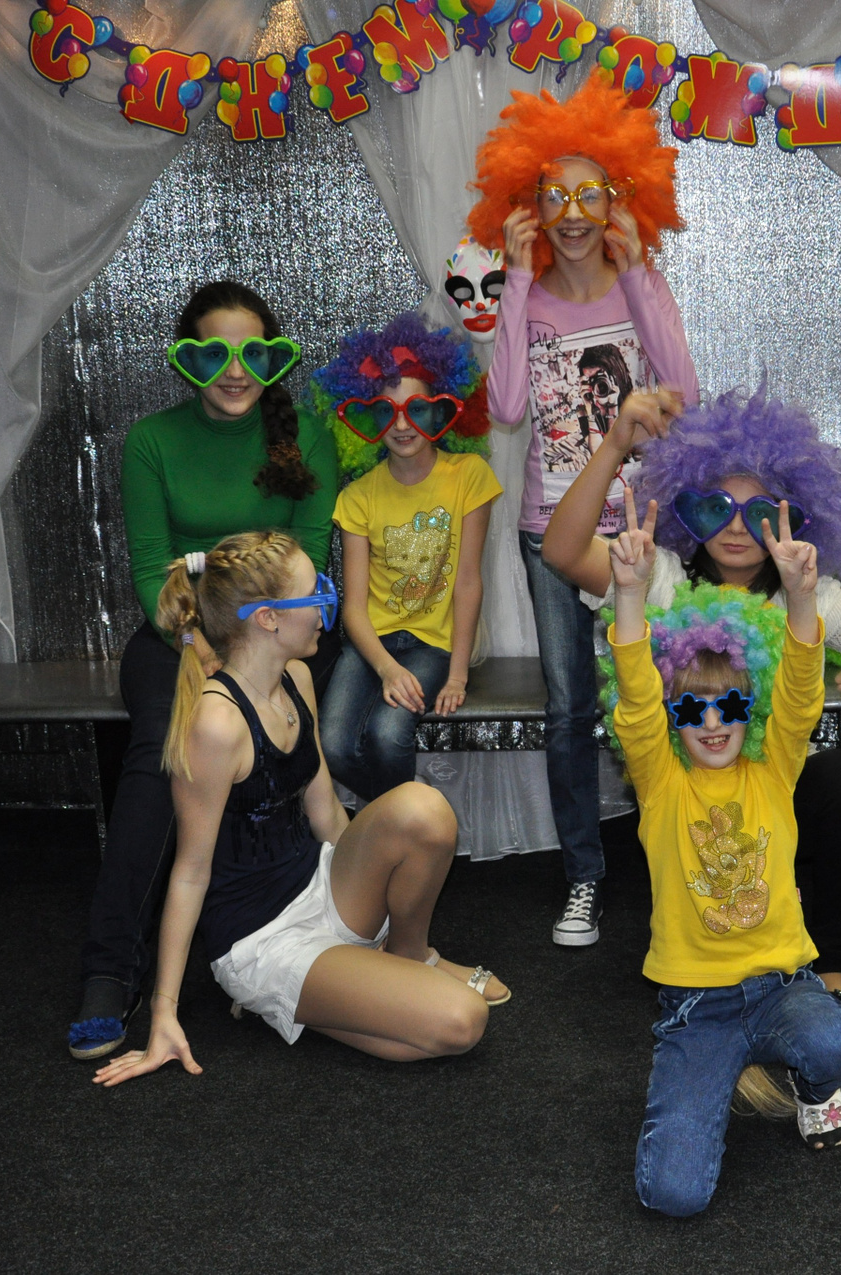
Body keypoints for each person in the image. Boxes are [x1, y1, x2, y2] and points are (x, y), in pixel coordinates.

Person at [543, 384, 841, 1025]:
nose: (735, 527)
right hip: (686, 795)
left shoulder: (807, 591)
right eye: (714, 508)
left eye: (758, 512)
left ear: (795, 517)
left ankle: (832, 958)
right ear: (686, 510)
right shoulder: (663, 578)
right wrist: (616, 445)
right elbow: (562, 552)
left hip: (775, 787)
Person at [92, 530, 506, 1088]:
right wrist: (163, 1012)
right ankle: (280, 998)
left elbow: (326, 814)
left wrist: (370, 875)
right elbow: (189, 873)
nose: (326, 605)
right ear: (268, 619)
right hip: (262, 938)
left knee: (423, 809)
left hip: (315, 884)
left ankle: (409, 956)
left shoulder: (298, 678)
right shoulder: (216, 725)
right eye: (315, 593)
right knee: (461, 1022)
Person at [69, 280, 340, 1062]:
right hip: (177, 636)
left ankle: (305, 918)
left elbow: (309, 560)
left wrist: (257, 650)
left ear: (276, 359)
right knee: (163, 755)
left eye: (253, 353)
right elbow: (151, 569)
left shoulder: (307, 437)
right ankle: (110, 968)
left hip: (282, 633)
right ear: (186, 360)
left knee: (308, 742)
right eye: (214, 353)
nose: (235, 370)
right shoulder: (151, 441)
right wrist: (207, 647)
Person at [469, 75, 700, 948]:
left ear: (618, 199)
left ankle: (686, 855)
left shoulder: (640, 282)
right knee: (570, 708)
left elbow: (682, 393)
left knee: (661, 691)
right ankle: (583, 874)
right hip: (551, 534)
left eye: (589, 194)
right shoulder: (524, 295)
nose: (571, 214)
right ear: (527, 205)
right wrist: (515, 286)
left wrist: (637, 272)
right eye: (552, 195)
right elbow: (505, 406)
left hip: (639, 531)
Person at [603, 498, 841, 1217]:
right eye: (693, 708)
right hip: (698, 1007)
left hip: (782, 987)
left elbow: (801, 695)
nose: (714, 722)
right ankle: (724, 1069)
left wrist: (802, 597)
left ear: (751, 708)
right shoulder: (662, 785)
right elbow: (634, 700)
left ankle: (811, 1085)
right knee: (673, 1195)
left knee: (839, 1043)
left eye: (732, 705)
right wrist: (629, 593)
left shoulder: (773, 770)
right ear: (674, 716)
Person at [307, 312, 502, 803]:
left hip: (432, 644)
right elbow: (353, 608)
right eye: (386, 410)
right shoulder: (357, 497)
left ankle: (398, 827)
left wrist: (457, 674)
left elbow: (468, 583)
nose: (401, 423)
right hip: (371, 642)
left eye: (416, 408)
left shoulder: (469, 476)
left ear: (442, 411)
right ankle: (404, 820)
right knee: (333, 744)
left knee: (387, 734)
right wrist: (384, 668)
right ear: (367, 418)